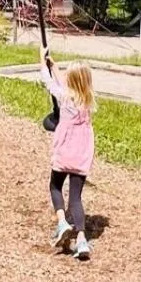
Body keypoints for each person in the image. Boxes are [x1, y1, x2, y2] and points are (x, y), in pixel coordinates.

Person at [38, 47, 96, 260]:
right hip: (81, 155)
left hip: (64, 152)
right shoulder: (88, 102)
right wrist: (56, 67)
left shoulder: (64, 98)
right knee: (76, 198)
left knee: (54, 186)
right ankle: (82, 240)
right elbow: (64, 83)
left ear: (71, 81)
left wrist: (42, 64)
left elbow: (50, 84)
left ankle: (62, 222)